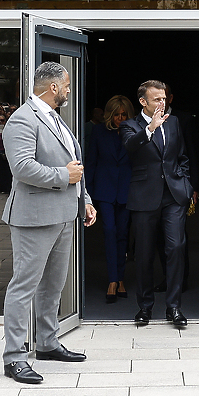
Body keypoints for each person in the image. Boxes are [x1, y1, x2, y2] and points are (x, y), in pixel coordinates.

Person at [1, 61, 97, 384]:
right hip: (33, 219)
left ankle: (47, 342)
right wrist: (63, 177)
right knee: (24, 287)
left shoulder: (56, 119)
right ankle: (14, 358)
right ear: (53, 87)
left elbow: (75, 165)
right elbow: (23, 168)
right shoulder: (21, 120)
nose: (69, 91)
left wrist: (84, 199)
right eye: (67, 86)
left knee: (53, 285)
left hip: (64, 216)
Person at [120, 80, 193, 328]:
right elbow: (131, 147)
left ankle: (174, 307)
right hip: (144, 196)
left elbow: (182, 156)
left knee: (175, 248)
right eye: (157, 99)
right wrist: (150, 128)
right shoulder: (129, 125)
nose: (163, 103)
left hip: (173, 195)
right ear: (143, 102)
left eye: (164, 98)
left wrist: (186, 185)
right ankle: (145, 307)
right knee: (144, 254)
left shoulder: (173, 122)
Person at [85, 95, 135, 303]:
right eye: (116, 115)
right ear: (110, 114)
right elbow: (91, 162)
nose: (120, 119)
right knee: (109, 231)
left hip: (127, 190)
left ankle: (120, 279)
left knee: (123, 234)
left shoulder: (134, 132)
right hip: (104, 190)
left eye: (124, 115)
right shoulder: (98, 132)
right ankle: (112, 280)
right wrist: (86, 193)